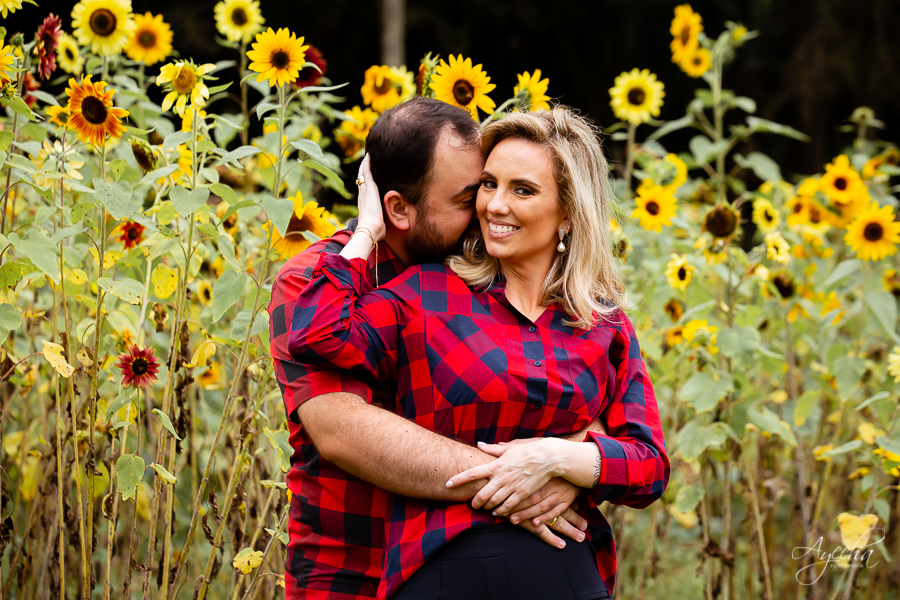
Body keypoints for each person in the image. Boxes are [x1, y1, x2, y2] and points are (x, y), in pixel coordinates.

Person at [288, 107, 670, 600]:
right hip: (442, 570)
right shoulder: (428, 293)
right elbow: (319, 334)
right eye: (487, 185)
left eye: (522, 190)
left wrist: (562, 458)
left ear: (570, 214)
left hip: (566, 576)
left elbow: (649, 465)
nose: (494, 205)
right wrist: (366, 231)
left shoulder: (603, 323)